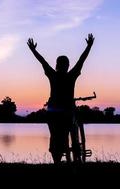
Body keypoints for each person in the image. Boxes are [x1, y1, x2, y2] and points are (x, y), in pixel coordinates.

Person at [27, 34, 95, 164]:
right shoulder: (72, 75)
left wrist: (33, 50)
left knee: (55, 136)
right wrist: (89, 46)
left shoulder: (53, 75)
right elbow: (82, 60)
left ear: (57, 65)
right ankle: (75, 151)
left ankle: (57, 162)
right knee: (71, 128)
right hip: (67, 112)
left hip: (52, 112)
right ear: (68, 65)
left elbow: (42, 61)